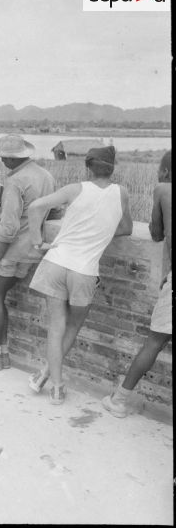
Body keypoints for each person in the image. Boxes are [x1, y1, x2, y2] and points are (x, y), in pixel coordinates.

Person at [27, 145, 133, 405]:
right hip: (84, 270)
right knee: (73, 326)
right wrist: (102, 232)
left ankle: (54, 385)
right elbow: (127, 228)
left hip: (56, 262)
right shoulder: (122, 193)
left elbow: (35, 206)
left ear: (88, 167)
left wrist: (37, 239)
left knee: (56, 326)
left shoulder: (75, 189)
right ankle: (46, 376)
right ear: (112, 168)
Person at [0, 134, 56, 371]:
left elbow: (8, 227)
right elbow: (54, 212)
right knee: (0, 297)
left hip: (11, 249)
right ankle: (2, 354)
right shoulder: (45, 176)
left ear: (12, 159)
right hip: (32, 248)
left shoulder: (15, 181)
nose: (3, 161)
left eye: (5, 157)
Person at [103, 151, 172, 417]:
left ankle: (119, 400)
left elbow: (155, 233)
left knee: (154, 342)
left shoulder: (164, 189)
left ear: (165, 171)